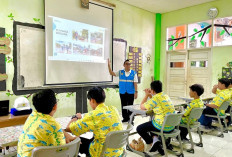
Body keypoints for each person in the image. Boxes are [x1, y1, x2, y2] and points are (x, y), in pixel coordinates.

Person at [66, 87, 123, 157]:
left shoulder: (93, 115)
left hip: (101, 152)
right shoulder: (114, 109)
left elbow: (69, 128)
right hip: (117, 152)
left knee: (74, 141)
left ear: (92, 100)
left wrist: (76, 117)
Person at [17, 89, 75, 157]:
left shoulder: (32, 116)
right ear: (55, 106)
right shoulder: (53, 124)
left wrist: (65, 134)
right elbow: (62, 152)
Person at [136, 80, 175, 155]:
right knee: (151, 123)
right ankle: (155, 140)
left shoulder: (155, 99)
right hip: (171, 126)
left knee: (140, 128)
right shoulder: (165, 95)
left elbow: (142, 107)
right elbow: (154, 102)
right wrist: (152, 94)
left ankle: (155, 145)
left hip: (163, 127)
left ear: (152, 90)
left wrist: (147, 95)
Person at [108, 59, 138, 123]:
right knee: (123, 105)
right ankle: (125, 118)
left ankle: (131, 119)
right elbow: (111, 73)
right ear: (124, 65)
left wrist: (136, 92)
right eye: (126, 64)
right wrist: (109, 65)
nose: (128, 65)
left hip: (131, 92)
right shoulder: (120, 72)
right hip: (122, 92)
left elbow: (135, 83)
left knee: (130, 106)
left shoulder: (133, 73)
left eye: (129, 64)